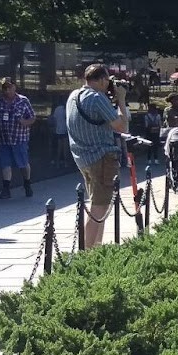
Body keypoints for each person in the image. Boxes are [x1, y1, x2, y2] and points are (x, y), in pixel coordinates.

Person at [65, 64, 130, 248]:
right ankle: (87, 251)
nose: (109, 84)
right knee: (98, 209)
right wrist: (121, 99)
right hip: (101, 158)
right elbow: (122, 127)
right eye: (107, 80)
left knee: (98, 205)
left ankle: (96, 248)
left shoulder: (74, 96)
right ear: (101, 80)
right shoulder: (97, 98)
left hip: (83, 158)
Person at [0, 78, 35, 198]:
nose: (7, 90)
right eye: (5, 88)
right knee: (5, 164)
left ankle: (27, 184)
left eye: (9, 87)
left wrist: (24, 122)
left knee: (23, 163)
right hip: (4, 140)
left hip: (19, 139)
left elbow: (32, 117)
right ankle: (6, 189)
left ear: (15, 87)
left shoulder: (23, 101)